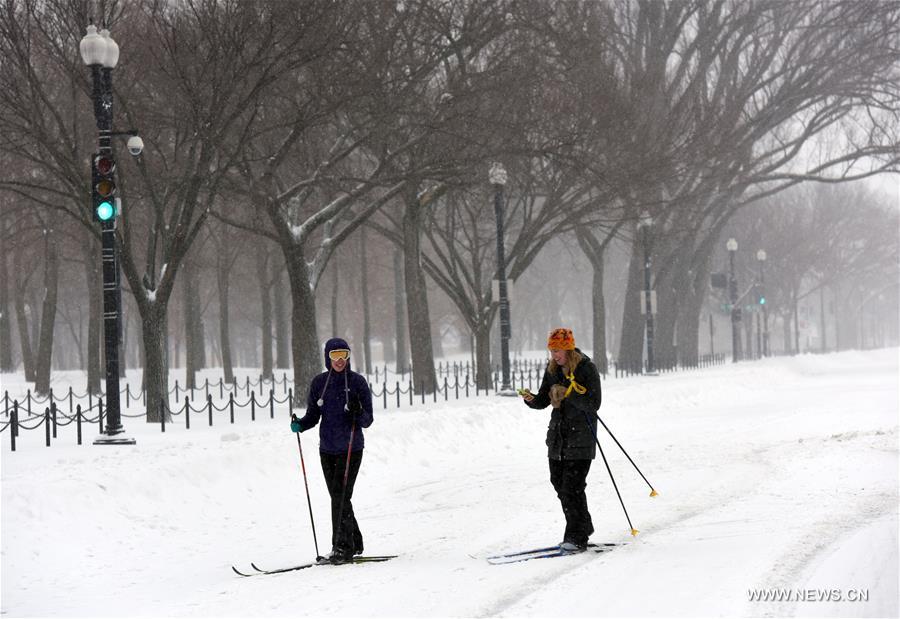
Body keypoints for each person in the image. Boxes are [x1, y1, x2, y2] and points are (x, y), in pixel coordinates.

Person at [291, 337, 374, 563]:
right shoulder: (320, 383)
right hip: (327, 449)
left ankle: (342, 548)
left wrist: (357, 411)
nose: (339, 361)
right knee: (340, 498)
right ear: (328, 357)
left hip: (351, 448)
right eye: (335, 356)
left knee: (339, 496)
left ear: (348, 357)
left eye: (344, 356)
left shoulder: (357, 383)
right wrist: (300, 424)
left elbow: (368, 420)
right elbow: (313, 416)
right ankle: (355, 541)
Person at [521, 327, 602, 552]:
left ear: (568, 348)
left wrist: (569, 393)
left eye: (558, 350)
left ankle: (576, 537)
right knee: (559, 484)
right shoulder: (553, 370)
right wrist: (531, 399)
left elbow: (593, 404)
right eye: (552, 350)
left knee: (572, 488)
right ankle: (583, 527)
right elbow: (542, 400)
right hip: (558, 438)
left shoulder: (587, 368)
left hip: (581, 437)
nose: (554, 354)